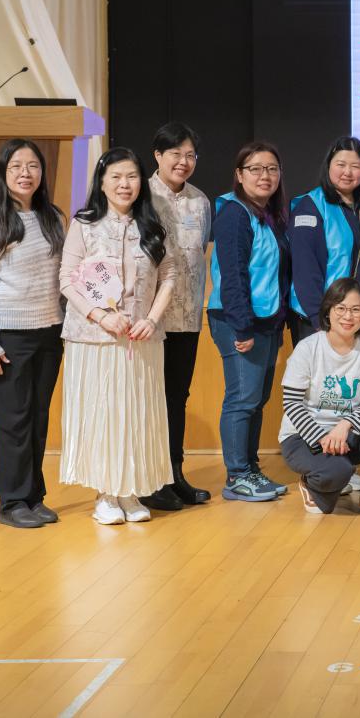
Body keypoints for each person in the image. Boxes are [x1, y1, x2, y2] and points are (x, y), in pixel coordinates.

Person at [58, 148, 176, 525]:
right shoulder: (85, 224)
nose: (125, 184)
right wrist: (100, 316)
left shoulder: (153, 225)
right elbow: (67, 280)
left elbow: (169, 276)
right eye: (116, 177)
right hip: (94, 339)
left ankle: (130, 491)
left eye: (132, 176)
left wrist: (152, 320)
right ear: (102, 182)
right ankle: (105, 493)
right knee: (103, 413)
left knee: (137, 414)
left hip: (141, 338)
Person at [0, 139, 66, 529]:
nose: (26, 173)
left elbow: (63, 278)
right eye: (17, 167)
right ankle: (11, 502)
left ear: (42, 172)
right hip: (7, 337)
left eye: (33, 166)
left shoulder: (52, 217)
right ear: (3, 173)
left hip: (49, 333)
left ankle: (33, 496)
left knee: (37, 419)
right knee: (12, 423)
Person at [207, 141, 292, 502]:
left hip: (265, 322)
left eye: (271, 169)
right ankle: (237, 476)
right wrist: (242, 326)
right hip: (238, 321)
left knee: (256, 399)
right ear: (239, 176)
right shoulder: (234, 214)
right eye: (255, 169)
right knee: (242, 399)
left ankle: (250, 469)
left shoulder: (269, 215)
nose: (264, 176)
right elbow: (233, 275)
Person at [279, 278, 360, 518]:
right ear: (328, 311)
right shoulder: (307, 347)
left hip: (346, 435)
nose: (348, 316)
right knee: (338, 473)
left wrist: (345, 425)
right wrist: (322, 438)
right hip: (303, 437)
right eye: (340, 308)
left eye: (356, 309)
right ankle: (310, 482)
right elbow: (292, 403)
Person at [143, 122, 213, 512]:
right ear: (158, 155)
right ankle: (150, 479)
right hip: (150, 319)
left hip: (187, 317)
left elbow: (199, 252)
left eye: (190, 155)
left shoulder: (200, 201)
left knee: (177, 396)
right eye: (175, 154)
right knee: (151, 398)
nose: (183, 162)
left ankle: (174, 474)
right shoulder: (141, 195)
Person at [289, 136, 360, 345]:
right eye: (341, 164)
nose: (348, 172)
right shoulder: (310, 206)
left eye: (355, 166)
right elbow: (305, 268)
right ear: (328, 166)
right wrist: (319, 319)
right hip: (320, 321)